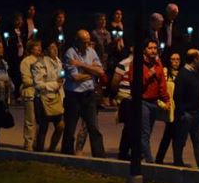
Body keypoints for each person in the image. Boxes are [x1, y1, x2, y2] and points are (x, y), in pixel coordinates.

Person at [62, 29, 106, 157]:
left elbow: (100, 71)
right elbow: (75, 77)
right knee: (70, 127)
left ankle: (99, 155)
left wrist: (81, 64)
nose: (87, 45)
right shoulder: (70, 53)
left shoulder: (91, 52)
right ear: (77, 41)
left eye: (88, 42)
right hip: (74, 95)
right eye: (84, 42)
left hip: (88, 94)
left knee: (93, 127)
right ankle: (67, 154)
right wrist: (91, 73)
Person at [172, 49, 199, 168]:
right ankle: (178, 163)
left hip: (196, 113)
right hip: (186, 114)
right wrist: (182, 112)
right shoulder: (183, 74)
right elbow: (177, 96)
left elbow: (198, 94)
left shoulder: (196, 73)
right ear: (195, 59)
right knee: (181, 140)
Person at [32, 41, 65, 152]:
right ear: (46, 50)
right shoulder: (40, 63)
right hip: (43, 98)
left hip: (57, 98)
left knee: (60, 126)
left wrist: (61, 81)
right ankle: (39, 151)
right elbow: (38, 84)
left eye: (56, 47)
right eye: (52, 47)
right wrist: (55, 85)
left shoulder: (59, 62)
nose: (55, 49)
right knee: (43, 127)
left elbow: (61, 78)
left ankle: (51, 150)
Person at [140, 39, 170, 163]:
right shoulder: (138, 64)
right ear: (144, 50)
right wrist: (149, 75)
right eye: (150, 48)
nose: (153, 50)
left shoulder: (158, 63)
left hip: (154, 102)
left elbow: (162, 82)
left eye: (155, 48)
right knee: (145, 132)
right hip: (142, 101)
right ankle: (149, 160)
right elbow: (135, 83)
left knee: (149, 131)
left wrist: (166, 99)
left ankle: (140, 154)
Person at [155, 51, 181, 164]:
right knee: (171, 134)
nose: (175, 62)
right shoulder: (166, 72)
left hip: (179, 108)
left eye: (177, 59)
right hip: (170, 107)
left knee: (171, 134)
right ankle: (174, 160)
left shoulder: (181, 73)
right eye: (173, 59)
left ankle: (161, 159)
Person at [19, 39, 42, 151]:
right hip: (30, 93)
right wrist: (38, 81)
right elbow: (26, 80)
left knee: (40, 120)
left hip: (41, 94)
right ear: (31, 48)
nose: (39, 48)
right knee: (30, 120)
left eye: (39, 46)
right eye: (36, 46)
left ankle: (37, 142)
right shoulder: (26, 61)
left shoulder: (42, 60)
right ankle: (28, 143)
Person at [111, 47, 134, 160]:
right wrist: (116, 97)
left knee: (132, 126)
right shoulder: (124, 63)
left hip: (135, 98)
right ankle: (124, 151)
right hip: (126, 97)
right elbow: (115, 82)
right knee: (129, 126)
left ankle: (128, 150)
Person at [5, 13, 25, 100]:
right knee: (15, 75)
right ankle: (14, 95)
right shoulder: (10, 32)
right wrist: (15, 45)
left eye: (20, 20)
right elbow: (8, 44)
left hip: (21, 57)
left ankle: (18, 94)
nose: (20, 22)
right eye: (18, 20)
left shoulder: (21, 32)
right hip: (13, 57)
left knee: (20, 75)